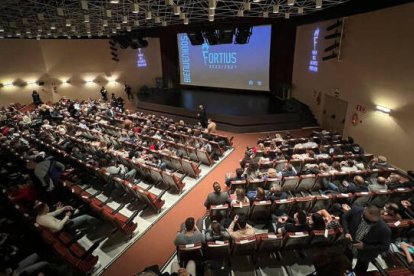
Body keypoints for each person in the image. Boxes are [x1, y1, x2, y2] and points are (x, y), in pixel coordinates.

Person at [342, 205, 391, 272]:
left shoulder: (384, 229)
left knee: (361, 271)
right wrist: (346, 232)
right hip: (349, 246)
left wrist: (365, 246)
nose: (369, 223)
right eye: (367, 220)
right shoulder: (356, 210)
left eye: (373, 222)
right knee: (345, 266)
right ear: (364, 211)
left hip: (366, 254)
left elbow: (385, 247)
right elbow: (344, 217)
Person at [35, 201, 99, 233]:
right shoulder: (45, 218)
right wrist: (66, 216)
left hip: (63, 223)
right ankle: (96, 226)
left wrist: (64, 208)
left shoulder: (40, 215)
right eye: (47, 207)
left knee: (78, 211)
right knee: (86, 216)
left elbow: (54, 213)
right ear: (44, 209)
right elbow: (58, 227)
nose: (48, 207)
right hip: (65, 227)